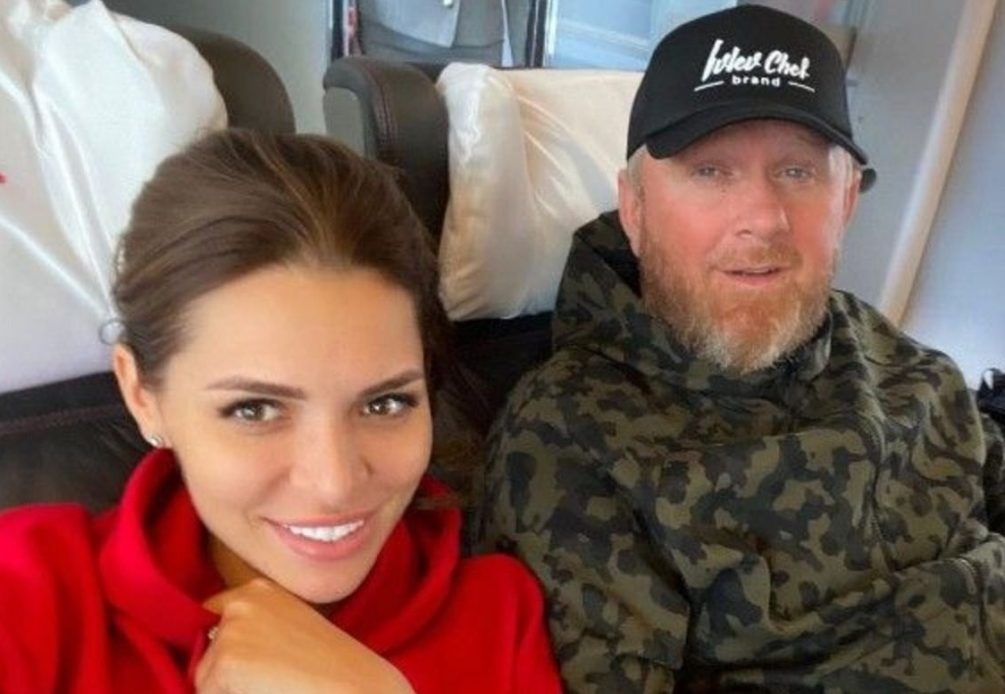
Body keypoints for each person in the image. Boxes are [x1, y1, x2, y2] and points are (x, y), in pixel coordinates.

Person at [480, 5, 1005, 692]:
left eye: (797, 172)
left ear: (847, 201)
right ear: (634, 209)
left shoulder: (904, 362)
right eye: (710, 171)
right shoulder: (570, 442)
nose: (762, 217)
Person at [0, 129, 561, 693]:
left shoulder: (499, 619)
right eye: (255, 410)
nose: (335, 484)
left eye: (384, 403)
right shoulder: (26, 591)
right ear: (142, 395)